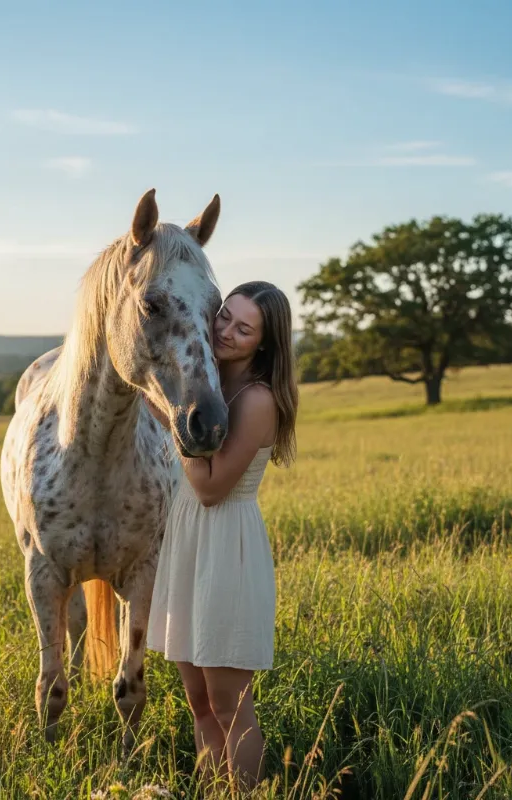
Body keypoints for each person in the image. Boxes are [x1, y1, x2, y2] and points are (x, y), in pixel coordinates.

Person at [146, 280, 299, 792]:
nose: (226, 332)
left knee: (231, 705)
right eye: (224, 318)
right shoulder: (208, 387)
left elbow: (210, 488)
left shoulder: (257, 400)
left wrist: (174, 420)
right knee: (199, 702)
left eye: (244, 328)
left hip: (226, 546)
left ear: (265, 342)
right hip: (188, 545)